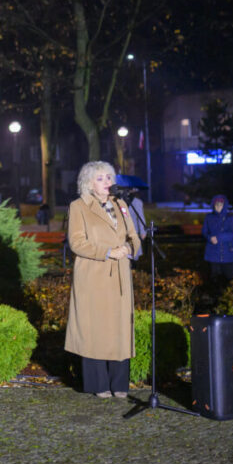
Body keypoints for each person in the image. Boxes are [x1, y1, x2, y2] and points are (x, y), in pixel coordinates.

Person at [65, 161, 141, 399]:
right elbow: (76, 242)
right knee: (95, 329)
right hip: (93, 275)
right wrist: (108, 252)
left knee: (119, 328)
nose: (108, 182)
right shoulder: (78, 206)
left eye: (109, 177)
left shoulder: (121, 204)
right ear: (88, 183)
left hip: (119, 275)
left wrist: (129, 248)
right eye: (101, 178)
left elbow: (134, 236)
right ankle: (98, 384)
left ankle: (120, 383)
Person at [202, 194, 233, 282]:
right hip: (213, 252)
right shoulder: (209, 217)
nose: (218, 207)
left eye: (220, 205)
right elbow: (204, 232)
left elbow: (232, 233)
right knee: (214, 277)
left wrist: (219, 238)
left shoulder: (230, 218)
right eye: (216, 205)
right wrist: (210, 238)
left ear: (224, 205)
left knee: (228, 277)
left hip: (227, 252)